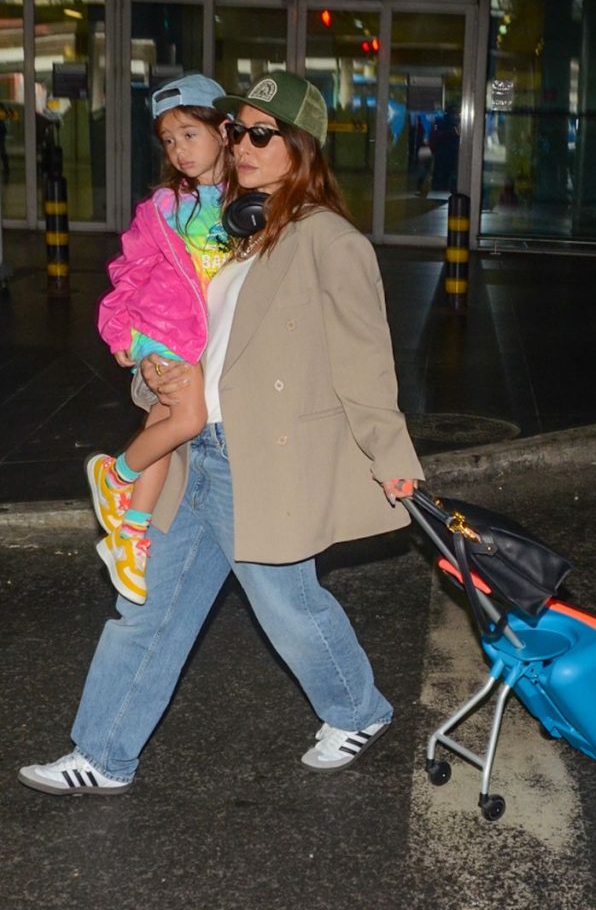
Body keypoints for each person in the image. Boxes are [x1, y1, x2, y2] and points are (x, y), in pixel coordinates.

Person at [18, 70, 424, 796]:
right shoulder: (232, 229)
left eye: (260, 134)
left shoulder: (329, 242)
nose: (240, 145)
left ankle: (358, 709)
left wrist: (392, 458)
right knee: (144, 606)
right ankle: (103, 754)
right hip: (192, 453)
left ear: (299, 148)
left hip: (257, 460)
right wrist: (150, 374)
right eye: (235, 130)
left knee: (287, 605)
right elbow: (189, 337)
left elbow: (366, 363)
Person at [86, 73, 232, 605]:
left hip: (200, 338)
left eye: (190, 134)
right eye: (169, 140)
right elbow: (129, 268)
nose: (179, 149)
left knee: (166, 427)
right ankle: (117, 474)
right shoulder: (165, 206)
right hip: (165, 327)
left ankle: (130, 532)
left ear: (223, 129)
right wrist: (118, 328)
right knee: (188, 420)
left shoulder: (246, 199)